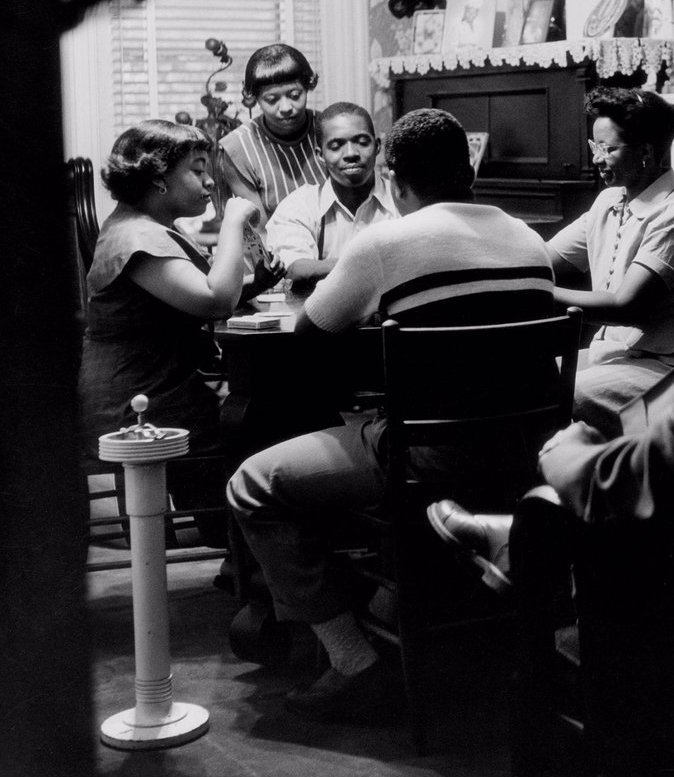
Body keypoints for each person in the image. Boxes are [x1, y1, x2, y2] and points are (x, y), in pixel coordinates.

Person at [428, 110, 674, 777]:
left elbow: (634, 485)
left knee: (556, 438)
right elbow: (548, 253)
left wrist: (566, 451)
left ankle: (516, 540)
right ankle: (513, 532)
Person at [227, 108, 555, 719]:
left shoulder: (384, 241)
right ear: (470, 170)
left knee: (252, 483)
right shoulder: (528, 236)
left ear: (394, 176)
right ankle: (391, 607)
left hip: (431, 454)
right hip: (524, 450)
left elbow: (312, 336)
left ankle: (354, 661)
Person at [79, 120, 282, 543]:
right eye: (197, 169)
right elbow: (214, 300)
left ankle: (240, 546)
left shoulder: (141, 227)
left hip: (156, 389)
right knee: (264, 424)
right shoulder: (138, 237)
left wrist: (256, 283)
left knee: (261, 416)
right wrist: (231, 222)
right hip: (138, 401)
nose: (210, 181)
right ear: (159, 181)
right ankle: (250, 550)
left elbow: (189, 295)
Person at [547, 87, 674, 438]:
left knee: (558, 393)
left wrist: (538, 293)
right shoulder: (608, 201)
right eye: (596, 147)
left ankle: (574, 481)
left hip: (667, 366)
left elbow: (626, 305)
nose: (597, 159)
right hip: (616, 355)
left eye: (609, 149)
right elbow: (545, 258)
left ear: (647, 153)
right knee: (526, 380)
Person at [266, 102, 396, 287]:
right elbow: (296, 269)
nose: (351, 153)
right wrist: (380, 263)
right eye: (336, 146)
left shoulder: (402, 197)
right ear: (320, 155)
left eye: (362, 142)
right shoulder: (300, 206)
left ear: (377, 147)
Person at [218, 43, 325, 225]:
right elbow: (259, 231)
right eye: (272, 99)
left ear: (307, 87)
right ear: (255, 97)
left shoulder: (329, 128)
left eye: (294, 95)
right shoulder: (237, 148)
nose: (285, 108)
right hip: (277, 249)